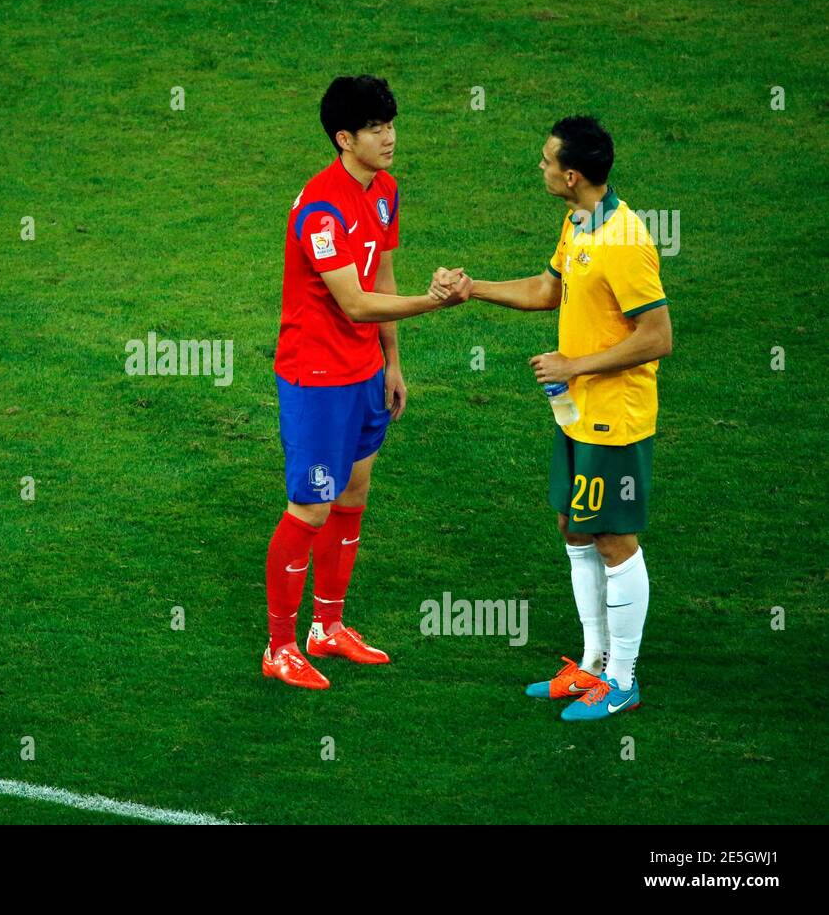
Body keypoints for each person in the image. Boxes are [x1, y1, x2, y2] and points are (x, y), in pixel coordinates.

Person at [432, 116, 671, 720]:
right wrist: (473, 289)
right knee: (573, 527)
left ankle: (623, 679)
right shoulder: (579, 221)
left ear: (572, 174)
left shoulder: (625, 239)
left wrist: (576, 363)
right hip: (573, 410)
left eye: (545, 161)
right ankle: (591, 665)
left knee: (616, 540)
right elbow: (549, 289)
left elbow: (658, 336)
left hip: (613, 417)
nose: (538, 168)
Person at [264, 75, 471, 690]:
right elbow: (354, 303)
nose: (390, 138)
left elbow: (381, 271)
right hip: (317, 378)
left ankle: (327, 628)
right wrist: (435, 304)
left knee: (353, 493)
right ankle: (279, 646)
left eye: (391, 124)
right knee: (311, 506)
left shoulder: (383, 192)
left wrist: (394, 363)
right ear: (343, 138)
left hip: (364, 374)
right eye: (377, 129)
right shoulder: (321, 210)